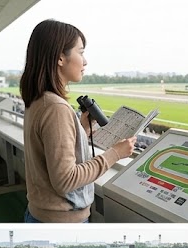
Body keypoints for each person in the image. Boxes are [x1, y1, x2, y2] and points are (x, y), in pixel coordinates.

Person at [20, 20, 135, 223]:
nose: (85, 61)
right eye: (80, 52)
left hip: (42, 216)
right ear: (60, 58)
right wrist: (115, 153)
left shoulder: (40, 100)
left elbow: (50, 150)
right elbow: (66, 180)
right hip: (61, 224)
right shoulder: (56, 108)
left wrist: (81, 129)